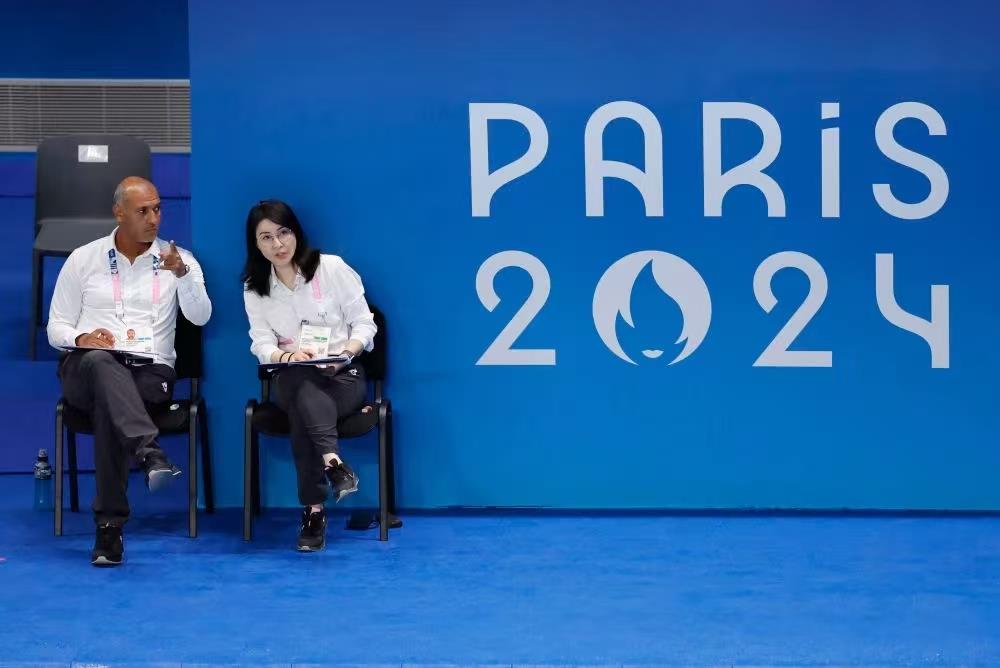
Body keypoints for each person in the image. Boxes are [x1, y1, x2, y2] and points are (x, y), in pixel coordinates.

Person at [47, 177, 212, 566]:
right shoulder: (83, 260)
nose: (154, 219)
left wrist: (183, 276)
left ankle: (109, 527)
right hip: (85, 368)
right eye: (143, 211)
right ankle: (148, 453)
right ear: (118, 213)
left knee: (110, 405)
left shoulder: (179, 260)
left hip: (149, 373)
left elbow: (201, 316)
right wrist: (83, 337)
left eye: (157, 209)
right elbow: (56, 328)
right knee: (101, 363)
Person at [241, 199, 376, 552]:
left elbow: (365, 324)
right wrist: (287, 356)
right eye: (266, 237)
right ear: (256, 245)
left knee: (302, 410)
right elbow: (261, 343)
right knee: (297, 381)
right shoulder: (255, 287)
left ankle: (314, 511)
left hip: (343, 376)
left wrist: (345, 354)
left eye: (283, 233)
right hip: (293, 376)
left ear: (296, 233)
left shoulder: (331, 268)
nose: (278, 244)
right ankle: (334, 463)